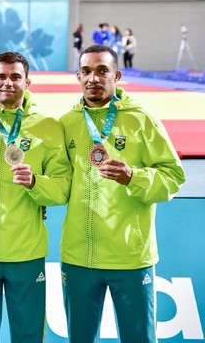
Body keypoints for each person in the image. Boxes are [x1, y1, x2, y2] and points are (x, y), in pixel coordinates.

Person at [60, 44, 185, 343]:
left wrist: (134, 177)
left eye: (102, 70)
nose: (94, 77)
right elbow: (58, 180)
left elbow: (173, 176)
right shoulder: (66, 124)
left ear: (116, 75)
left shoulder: (142, 120)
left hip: (130, 257)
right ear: (78, 76)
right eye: (87, 71)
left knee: (139, 338)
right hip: (79, 256)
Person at [0, 51, 71, 342]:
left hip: (26, 251)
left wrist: (35, 183)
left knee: (29, 335)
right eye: (1, 77)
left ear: (28, 81)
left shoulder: (48, 126)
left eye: (16, 77)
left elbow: (63, 188)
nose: (8, 83)